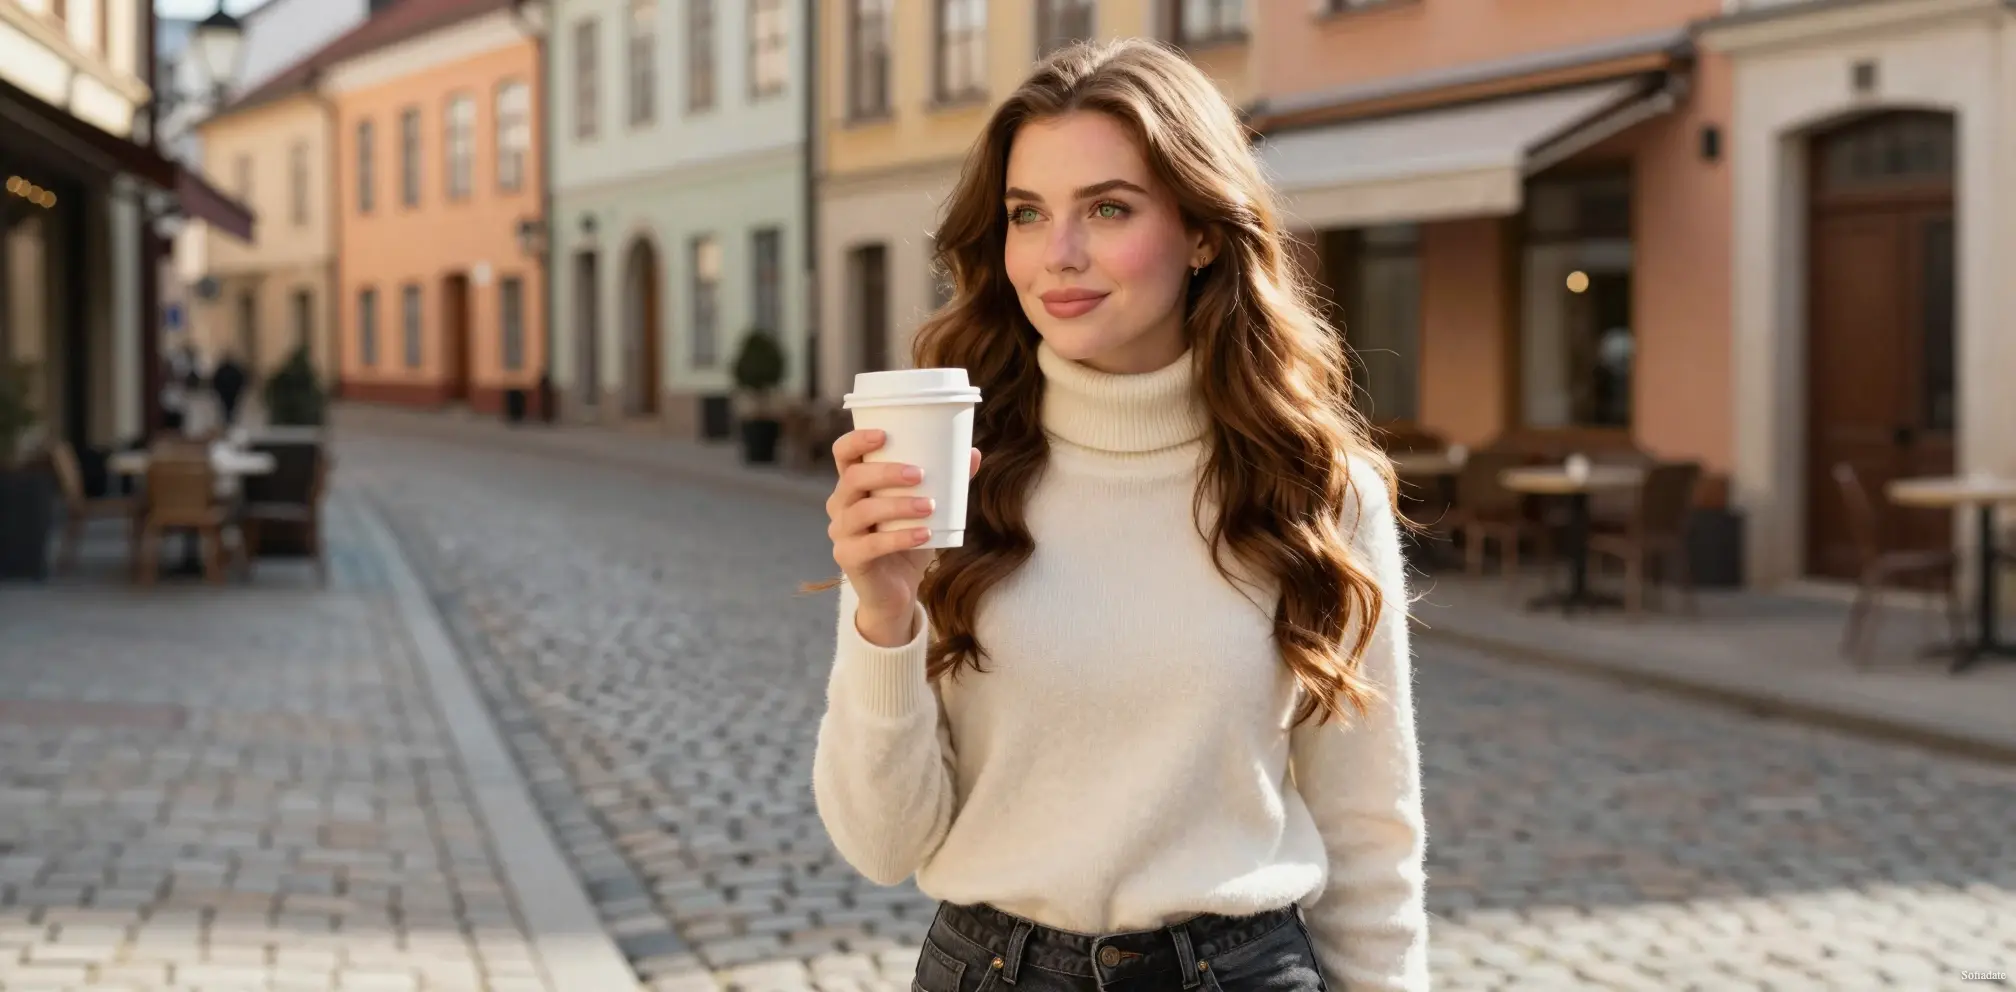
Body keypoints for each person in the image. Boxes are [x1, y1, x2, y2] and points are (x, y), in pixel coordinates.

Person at [810, 39, 1427, 992]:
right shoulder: (948, 471)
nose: (1058, 254)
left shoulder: (1314, 487)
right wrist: (883, 616)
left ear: (1203, 232)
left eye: (1108, 208)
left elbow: (1370, 830)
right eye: (1027, 214)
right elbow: (883, 845)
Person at [211, 350, 248, 428]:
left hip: (230, 391)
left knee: (229, 406)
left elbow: (241, 380)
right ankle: (228, 419)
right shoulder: (225, 370)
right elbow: (216, 380)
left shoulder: (232, 370)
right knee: (227, 406)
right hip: (227, 391)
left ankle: (229, 419)